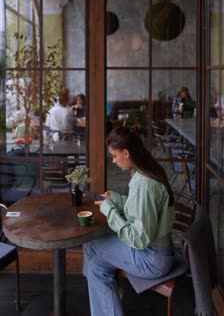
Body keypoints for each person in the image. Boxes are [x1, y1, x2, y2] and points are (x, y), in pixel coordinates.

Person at [83, 126, 175, 316]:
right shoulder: (148, 172)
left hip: (152, 259)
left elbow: (139, 239)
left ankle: (107, 294)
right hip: (159, 251)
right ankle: (107, 295)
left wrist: (109, 210)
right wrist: (117, 199)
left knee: (92, 246)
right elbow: (144, 211)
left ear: (126, 152)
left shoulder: (144, 184)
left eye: (115, 156)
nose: (114, 161)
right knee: (95, 264)